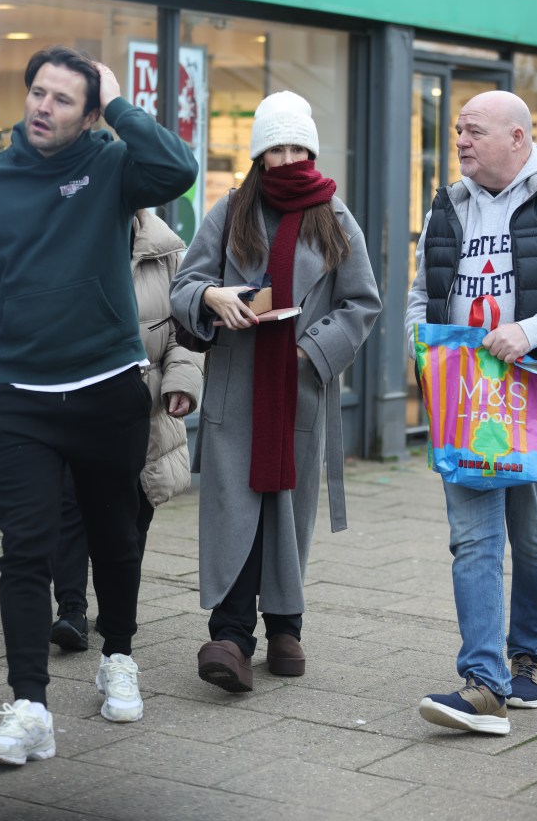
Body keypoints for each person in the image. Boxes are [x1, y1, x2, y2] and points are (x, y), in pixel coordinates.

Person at [0, 45, 197, 765]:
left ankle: (119, 652)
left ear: (90, 114)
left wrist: (119, 104)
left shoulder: (112, 165)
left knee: (116, 534)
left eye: (62, 98)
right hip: (17, 398)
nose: (40, 106)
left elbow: (178, 169)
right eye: (37, 92)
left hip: (107, 388)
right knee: (24, 548)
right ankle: (30, 707)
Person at [170, 91, 381, 693]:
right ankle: (231, 637)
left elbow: (361, 303)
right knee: (236, 508)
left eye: (297, 147)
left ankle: (285, 626)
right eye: (275, 148)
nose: (287, 159)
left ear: (310, 150)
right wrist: (213, 299)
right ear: (259, 154)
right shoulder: (231, 209)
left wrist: (308, 350)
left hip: (299, 390)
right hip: (237, 390)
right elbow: (187, 282)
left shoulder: (335, 217)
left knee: (286, 511)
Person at [405, 90, 537, 735]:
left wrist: (530, 332)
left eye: (474, 131)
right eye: (458, 129)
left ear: (517, 138)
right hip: (465, 400)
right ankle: (482, 684)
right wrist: (424, 353)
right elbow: (420, 296)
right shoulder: (446, 205)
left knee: (535, 537)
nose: (459, 140)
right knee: (473, 539)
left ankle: (528, 658)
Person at [50, 209, 203, 651]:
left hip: (145, 404)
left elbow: (186, 332)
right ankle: (71, 611)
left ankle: (117, 613)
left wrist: (181, 383)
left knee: (135, 511)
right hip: (77, 398)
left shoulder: (169, 251)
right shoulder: (68, 237)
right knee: (71, 504)